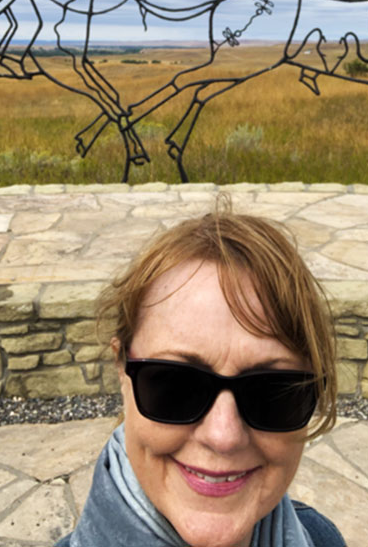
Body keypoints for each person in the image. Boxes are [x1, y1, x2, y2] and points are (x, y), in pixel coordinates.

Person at [55, 205, 346, 547]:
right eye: (176, 386)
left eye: (272, 393)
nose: (224, 436)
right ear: (122, 370)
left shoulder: (323, 538)